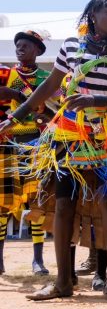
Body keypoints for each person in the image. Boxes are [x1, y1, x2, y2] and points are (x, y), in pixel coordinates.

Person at [2, 0, 107, 301]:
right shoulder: (70, 47)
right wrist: (18, 114)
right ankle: (63, 281)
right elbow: (50, 86)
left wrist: (96, 101)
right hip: (69, 133)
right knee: (64, 204)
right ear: (93, 14)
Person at [0, 29, 52, 276]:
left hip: (38, 142)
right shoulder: (7, 74)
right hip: (9, 142)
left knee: (36, 201)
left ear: (37, 51)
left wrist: (46, 115)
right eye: (18, 45)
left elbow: (55, 107)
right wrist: (18, 95)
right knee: (3, 203)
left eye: (26, 45)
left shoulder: (47, 77)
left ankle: (38, 260)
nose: (20, 48)